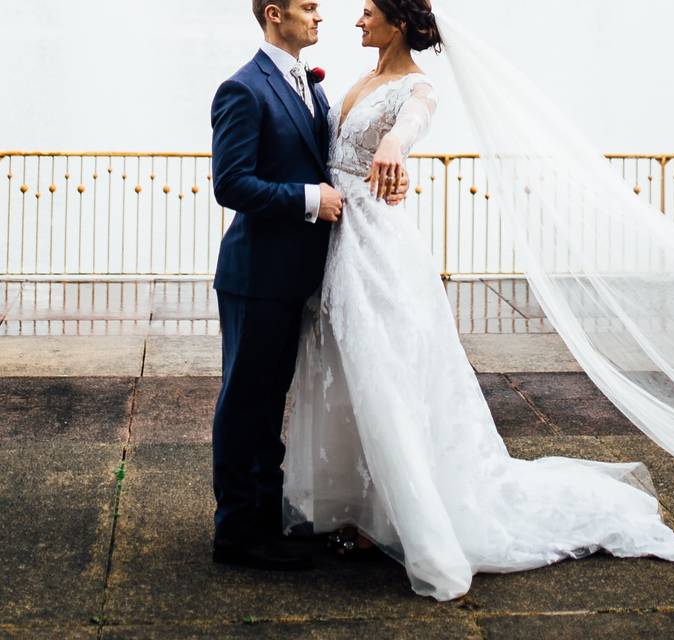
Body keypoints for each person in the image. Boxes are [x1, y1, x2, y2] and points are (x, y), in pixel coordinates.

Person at [282, 0, 674, 601]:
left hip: (379, 248)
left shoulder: (416, 88)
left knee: (388, 373)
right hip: (340, 241)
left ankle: (405, 516)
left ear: (397, 23)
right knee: (344, 370)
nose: (357, 20)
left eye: (368, 11)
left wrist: (396, 147)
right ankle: (359, 505)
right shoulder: (361, 80)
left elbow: (410, 124)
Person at [209, 0, 408, 571]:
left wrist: (381, 179)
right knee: (246, 406)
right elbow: (231, 183)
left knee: (273, 403)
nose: (320, 17)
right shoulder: (243, 88)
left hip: (299, 275)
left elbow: (330, 160)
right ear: (275, 14)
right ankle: (237, 535)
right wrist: (308, 200)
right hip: (256, 276)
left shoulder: (309, 85)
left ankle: (265, 519)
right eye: (308, 7)